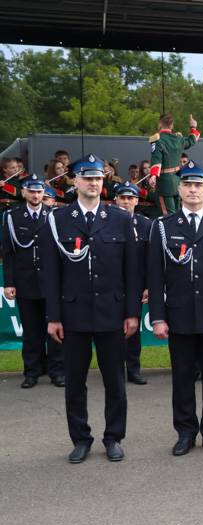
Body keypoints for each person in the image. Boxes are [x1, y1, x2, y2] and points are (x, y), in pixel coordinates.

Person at [40, 155, 140, 463]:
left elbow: (132, 272)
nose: (94, 184)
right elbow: (51, 273)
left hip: (111, 312)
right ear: (75, 182)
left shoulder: (121, 218)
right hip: (74, 315)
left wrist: (132, 312)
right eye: (87, 178)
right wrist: (54, 316)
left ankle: (114, 438)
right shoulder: (57, 219)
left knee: (115, 381)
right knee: (75, 383)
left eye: (98, 179)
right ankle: (81, 438)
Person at [147, 162, 203, 456]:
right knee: (182, 378)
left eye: (198, 185)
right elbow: (155, 275)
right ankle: (185, 432)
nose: (192, 190)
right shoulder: (163, 227)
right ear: (179, 189)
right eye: (187, 185)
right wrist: (158, 318)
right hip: (179, 316)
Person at [2, 174, 64, 389]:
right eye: (32, 191)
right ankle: (32, 371)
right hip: (26, 281)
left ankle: (57, 371)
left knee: (54, 328)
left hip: (51, 282)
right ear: (24, 192)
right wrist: (9, 282)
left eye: (39, 192)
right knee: (31, 330)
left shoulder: (54, 216)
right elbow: (9, 253)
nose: (36, 195)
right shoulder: (12, 217)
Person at [113, 181, 152, 385]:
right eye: (122, 198)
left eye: (130, 198)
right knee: (112, 331)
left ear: (136, 201)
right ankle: (115, 371)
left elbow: (149, 259)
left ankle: (134, 370)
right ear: (115, 200)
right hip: (111, 285)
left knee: (133, 329)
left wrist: (147, 285)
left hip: (135, 285)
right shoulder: (107, 221)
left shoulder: (145, 224)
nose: (126, 202)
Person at [147, 113, 200, 215]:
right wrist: (193, 127)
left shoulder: (158, 140)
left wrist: (153, 176)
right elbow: (191, 141)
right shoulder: (178, 139)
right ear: (172, 125)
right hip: (178, 180)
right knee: (178, 213)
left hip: (164, 182)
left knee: (168, 215)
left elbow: (156, 159)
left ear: (160, 124)